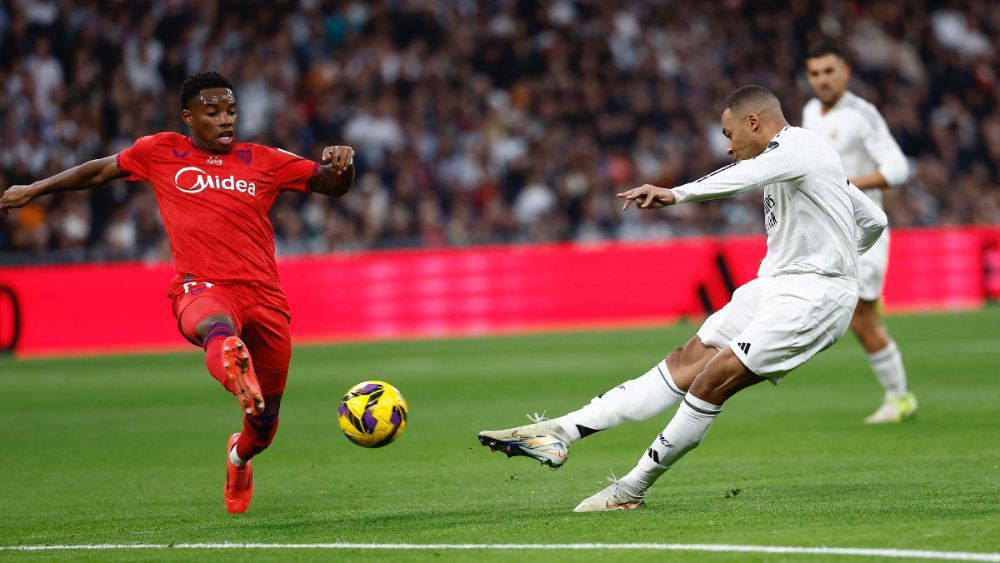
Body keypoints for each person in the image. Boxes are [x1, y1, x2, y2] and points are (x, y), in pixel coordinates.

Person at [478, 85, 887, 512]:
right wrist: (840, 254)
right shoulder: (805, 161)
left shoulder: (799, 147)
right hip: (775, 284)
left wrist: (677, 193)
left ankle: (630, 491)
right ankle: (560, 431)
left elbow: (745, 177)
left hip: (813, 295)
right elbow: (874, 219)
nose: (727, 147)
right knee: (685, 363)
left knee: (714, 379)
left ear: (753, 122)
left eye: (729, 134)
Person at [0, 71, 356, 514]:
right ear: (188, 117)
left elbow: (331, 184)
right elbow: (100, 170)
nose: (226, 120)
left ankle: (238, 456)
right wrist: (36, 188)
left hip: (265, 296)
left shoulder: (264, 159)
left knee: (264, 424)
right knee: (215, 327)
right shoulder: (159, 151)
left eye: (231, 111)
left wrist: (344, 166)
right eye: (213, 112)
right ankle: (231, 362)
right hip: (202, 286)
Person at [803, 42, 917, 424]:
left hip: (864, 231)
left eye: (829, 71)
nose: (822, 80)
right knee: (851, 317)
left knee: (862, 319)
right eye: (815, 73)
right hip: (826, 232)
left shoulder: (862, 114)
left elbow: (898, 168)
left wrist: (847, 185)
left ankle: (900, 398)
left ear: (845, 73)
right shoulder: (809, 112)